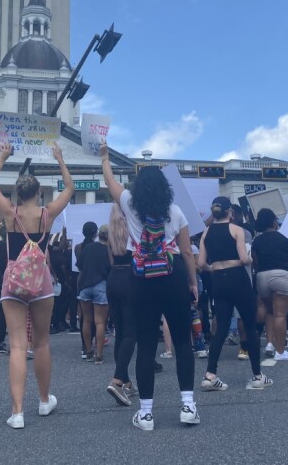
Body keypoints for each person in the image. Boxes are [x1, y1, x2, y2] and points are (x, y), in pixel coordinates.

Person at [100, 141, 199, 432]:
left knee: (145, 344)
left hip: (141, 278)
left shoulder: (130, 204)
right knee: (182, 342)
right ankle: (188, 405)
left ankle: (146, 413)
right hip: (174, 275)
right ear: (165, 188)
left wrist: (105, 158)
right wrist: (192, 282)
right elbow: (187, 251)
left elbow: (110, 182)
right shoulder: (176, 211)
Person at [0, 142, 74, 429]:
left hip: (13, 282)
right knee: (42, 342)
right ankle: (44, 399)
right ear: (38, 193)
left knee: (16, 345)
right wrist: (60, 159)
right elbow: (70, 189)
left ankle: (17, 412)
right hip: (41, 282)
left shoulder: (10, 214)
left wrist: (2, 158)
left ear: (17, 193)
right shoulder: (47, 214)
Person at [198, 197, 272, 392]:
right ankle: (257, 375)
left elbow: (201, 264)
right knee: (249, 325)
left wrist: (214, 267)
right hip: (238, 278)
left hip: (218, 280)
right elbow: (244, 259)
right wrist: (246, 259)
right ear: (229, 211)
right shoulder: (236, 230)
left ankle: (210, 375)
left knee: (221, 326)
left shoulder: (206, 233)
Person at [252, 208, 288, 361]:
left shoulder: (257, 240)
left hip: (262, 277)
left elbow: (255, 262)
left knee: (269, 312)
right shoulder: (284, 237)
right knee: (280, 315)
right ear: (274, 221)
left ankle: (269, 344)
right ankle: (281, 351)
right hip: (282, 275)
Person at [104, 207, 140, 405]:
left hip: (113, 278)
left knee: (120, 332)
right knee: (131, 333)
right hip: (129, 276)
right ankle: (118, 379)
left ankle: (125, 381)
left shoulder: (111, 233)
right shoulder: (134, 231)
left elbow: (110, 260)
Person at [76, 221, 110, 364]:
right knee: (100, 322)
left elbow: (80, 266)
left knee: (86, 320)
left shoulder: (87, 247)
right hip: (100, 285)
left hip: (85, 286)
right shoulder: (108, 250)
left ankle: (88, 351)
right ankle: (99, 354)